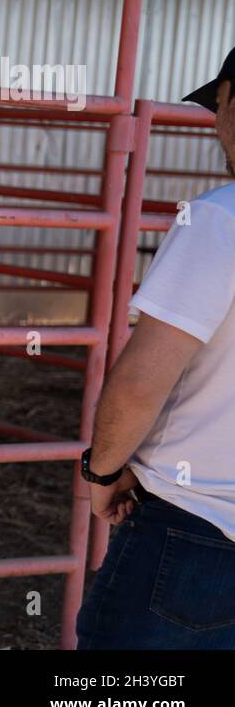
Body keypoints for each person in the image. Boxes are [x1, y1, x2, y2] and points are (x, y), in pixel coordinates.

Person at [76, 46, 235, 649]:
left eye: (218, 105)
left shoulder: (221, 221)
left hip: (195, 530)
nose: (214, 126)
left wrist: (104, 470)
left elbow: (143, 379)